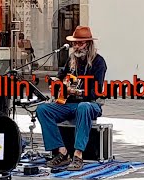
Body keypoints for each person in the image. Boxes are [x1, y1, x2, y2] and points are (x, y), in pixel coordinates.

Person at [36, 26, 107, 171]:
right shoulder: (71, 59)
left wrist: (76, 92)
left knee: (83, 107)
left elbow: (96, 91)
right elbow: (60, 77)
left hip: (90, 104)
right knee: (43, 109)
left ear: (88, 44)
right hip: (68, 104)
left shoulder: (99, 62)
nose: (76, 46)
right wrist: (56, 83)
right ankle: (62, 152)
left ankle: (78, 155)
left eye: (80, 43)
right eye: (75, 43)